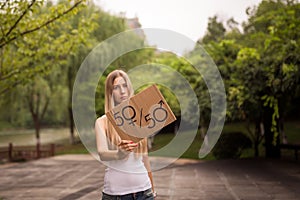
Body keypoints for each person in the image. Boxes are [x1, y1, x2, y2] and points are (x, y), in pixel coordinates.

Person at [95, 69, 156, 200]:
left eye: (125, 86)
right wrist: (119, 154)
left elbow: (144, 158)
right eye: (116, 87)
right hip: (116, 194)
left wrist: (152, 188)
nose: (122, 91)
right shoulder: (102, 122)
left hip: (144, 192)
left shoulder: (138, 118)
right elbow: (102, 153)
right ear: (110, 92)